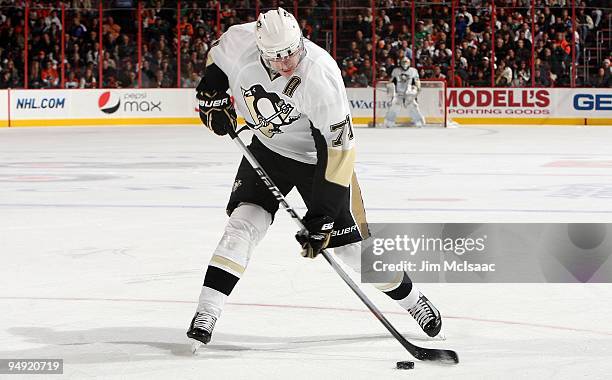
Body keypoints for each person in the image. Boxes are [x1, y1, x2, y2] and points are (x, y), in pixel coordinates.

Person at [187, 8, 443, 345]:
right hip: (268, 149)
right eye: (276, 58)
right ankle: (207, 310)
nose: (287, 61)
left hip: (317, 160)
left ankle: (413, 301)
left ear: (301, 39)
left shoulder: (320, 75)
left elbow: (338, 152)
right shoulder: (240, 39)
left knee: (351, 251)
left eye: (292, 51)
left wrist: (322, 216)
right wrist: (212, 92)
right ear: (260, 49)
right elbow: (216, 61)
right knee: (242, 225)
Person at [383, 57, 426, 128]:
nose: (405, 64)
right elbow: (391, 81)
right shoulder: (396, 70)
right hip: (398, 93)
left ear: (409, 63)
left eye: (406, 62)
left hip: (408, 93)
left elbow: (417, 81)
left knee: (413, 106)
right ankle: (389, 122)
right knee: (394, 107)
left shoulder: (413, 71)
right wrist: (389, 87)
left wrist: (416, 88)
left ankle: (419, 122)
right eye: (403, 62)